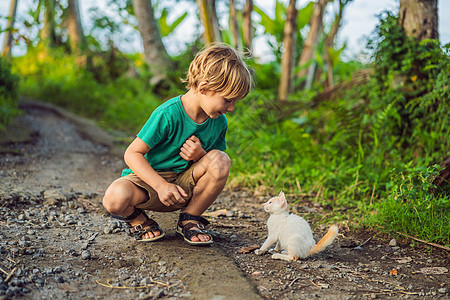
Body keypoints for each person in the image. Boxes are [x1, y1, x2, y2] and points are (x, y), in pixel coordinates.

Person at [102, 44, 253, 246]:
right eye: (228, 100)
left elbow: (212, 166)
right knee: (114, 198)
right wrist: (161, 185)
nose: (232, 108)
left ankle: (190, 219)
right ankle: (138, 219)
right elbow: (132, 153)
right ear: (204, 88)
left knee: (221, 160)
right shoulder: (168, 113)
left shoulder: (219, 121)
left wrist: (200, 156)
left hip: (184, 187)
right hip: (150, 185)